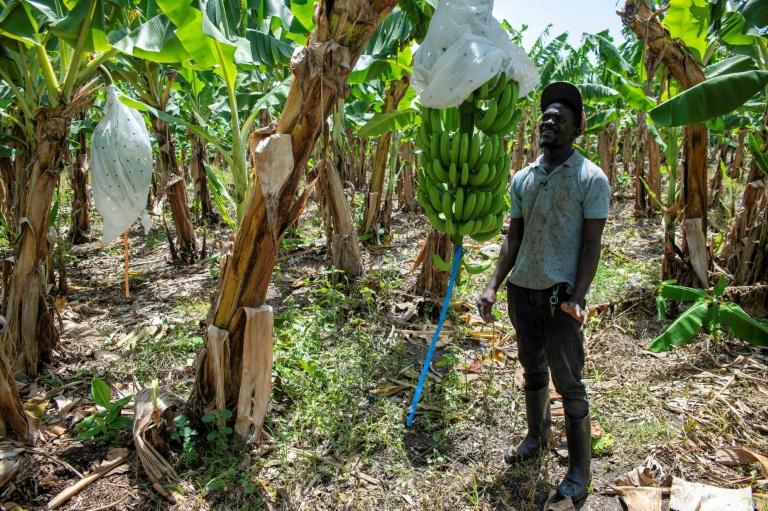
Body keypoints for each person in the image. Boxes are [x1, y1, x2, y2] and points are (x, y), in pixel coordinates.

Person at [476, 81, 610, 503]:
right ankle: (537, 437)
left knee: (569, 383)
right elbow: (512, 238)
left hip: (559, 297)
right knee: (532, 371)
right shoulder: (524, 177)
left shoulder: (591, 178)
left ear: (577, 128)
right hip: (523, 291)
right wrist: (493, 285)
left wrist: (578, 296)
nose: (549, 122)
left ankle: (579, 470)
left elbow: (592, 246)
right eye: (546, 116)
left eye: (561, 117)